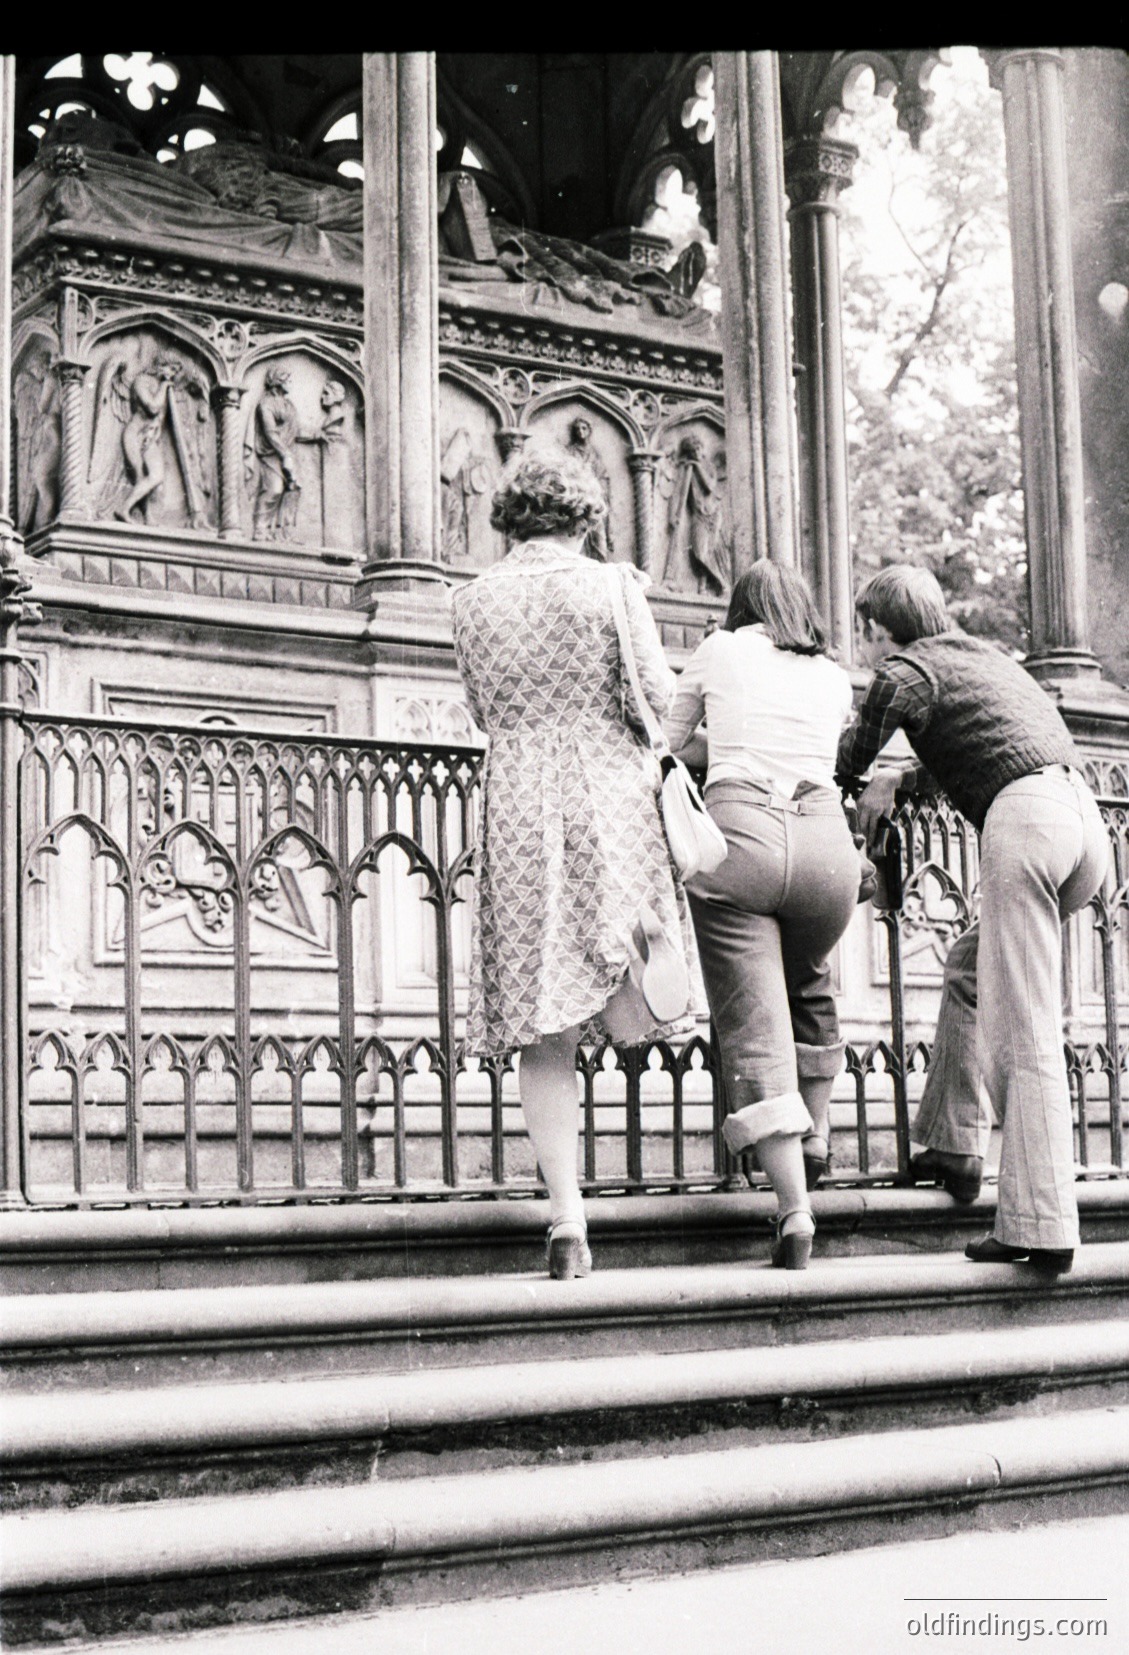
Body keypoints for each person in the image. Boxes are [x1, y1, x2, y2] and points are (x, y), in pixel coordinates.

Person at [451, 444, 691, 1280]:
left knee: (539, 1021)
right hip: (606, 795)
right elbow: (657, 698)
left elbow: (483, 708)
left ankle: (565, 1218)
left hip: (516, 796)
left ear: (509, 516)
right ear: (585, 515)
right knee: (633, 970)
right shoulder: (613, 586)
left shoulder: (469, 600)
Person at [838, 565, 1110, 1276]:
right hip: (1082, 825)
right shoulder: (978, 656)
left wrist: (868, 776)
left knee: (1024, 1033)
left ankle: (1041, 1224)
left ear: (876, 629)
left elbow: (847, 757)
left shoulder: (900, 671)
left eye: (865, 632)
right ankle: (953, 1143)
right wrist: (903, 778)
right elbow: (979, 739)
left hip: (1025, 824)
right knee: (968, 969)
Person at [666, 561, 859, 1269]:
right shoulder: (834, 675)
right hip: (824, 845)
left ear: (739, 605)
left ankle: (793, 1211)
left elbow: (667, 739)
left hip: (740, 835)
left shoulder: (720, 650)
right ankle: (815, 1136)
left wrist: (720, 746)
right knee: (808, 982)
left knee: (752, 1025)